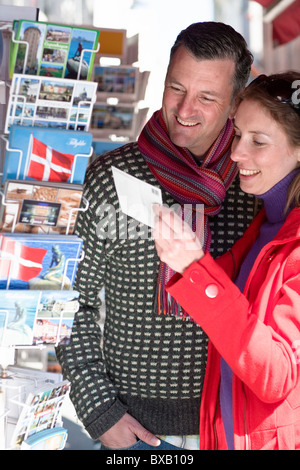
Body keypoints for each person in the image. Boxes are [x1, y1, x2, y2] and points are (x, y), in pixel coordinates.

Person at [56, 22, 255, 451]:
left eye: (206, 97)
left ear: (236, 102)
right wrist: (99, 410)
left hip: (237, 426)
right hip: (136, 433)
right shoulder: (110, 179)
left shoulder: (254, 186)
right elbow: (69, 301)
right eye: (176, 88)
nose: (184, 109)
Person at [153, 71, 300, 450]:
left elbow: (276, 373)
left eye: (258, 141)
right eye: (237, 135)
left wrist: (194, 269)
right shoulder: (266, 224)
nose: (237, 154)